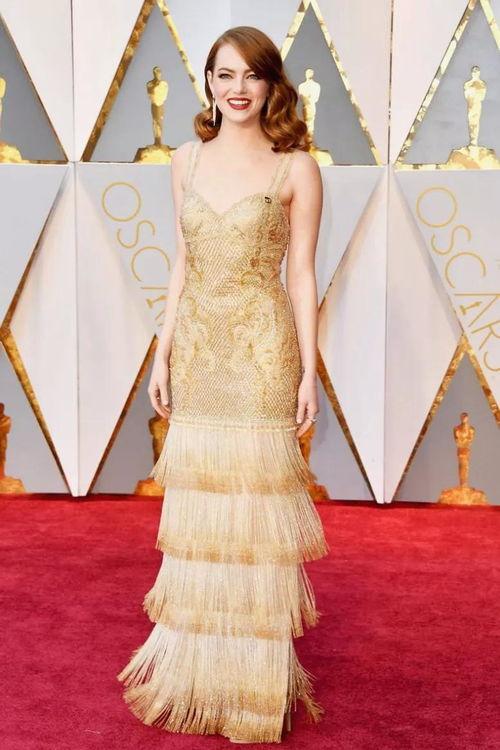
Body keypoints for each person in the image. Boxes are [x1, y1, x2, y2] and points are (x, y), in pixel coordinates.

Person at [117, 25, 329, 744]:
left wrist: (309, 369)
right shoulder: (184, 159)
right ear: (208, 82)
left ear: (272, 85)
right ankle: (200, 679)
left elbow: (302, 276)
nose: (237, 89)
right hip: (200, 351)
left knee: (254, 517)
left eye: (251, 76)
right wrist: (163, 353)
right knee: (202, 519)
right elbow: (181, 262)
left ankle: (253, 692)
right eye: (224, 75)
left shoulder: (297, 168)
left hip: (263, 350)